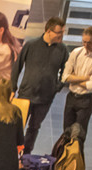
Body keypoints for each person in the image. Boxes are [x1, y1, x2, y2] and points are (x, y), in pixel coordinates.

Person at [13, 17, 68, 151]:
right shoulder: (31, 45)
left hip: (45, 98)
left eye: (63, 32)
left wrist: (57, 86)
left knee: (34, 127)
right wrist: (12, 87)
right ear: (48, 31)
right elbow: (17, 66)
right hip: (26, 94)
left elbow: (66, 70)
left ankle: (26, 153)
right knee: (18, 125)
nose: (61, 35)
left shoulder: (62, 49)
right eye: (59, 32)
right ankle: (13, 150)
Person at [60, 26, 92, 147]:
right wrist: (85, 78)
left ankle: (75, 157)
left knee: (78, 135)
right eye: (84, 41)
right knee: (66, 133)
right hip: (71, 97)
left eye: (89, 42)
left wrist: (74, 79)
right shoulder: (76, 52)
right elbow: (65, 77)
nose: (85, 45)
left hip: (86, 99)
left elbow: (91, 85)